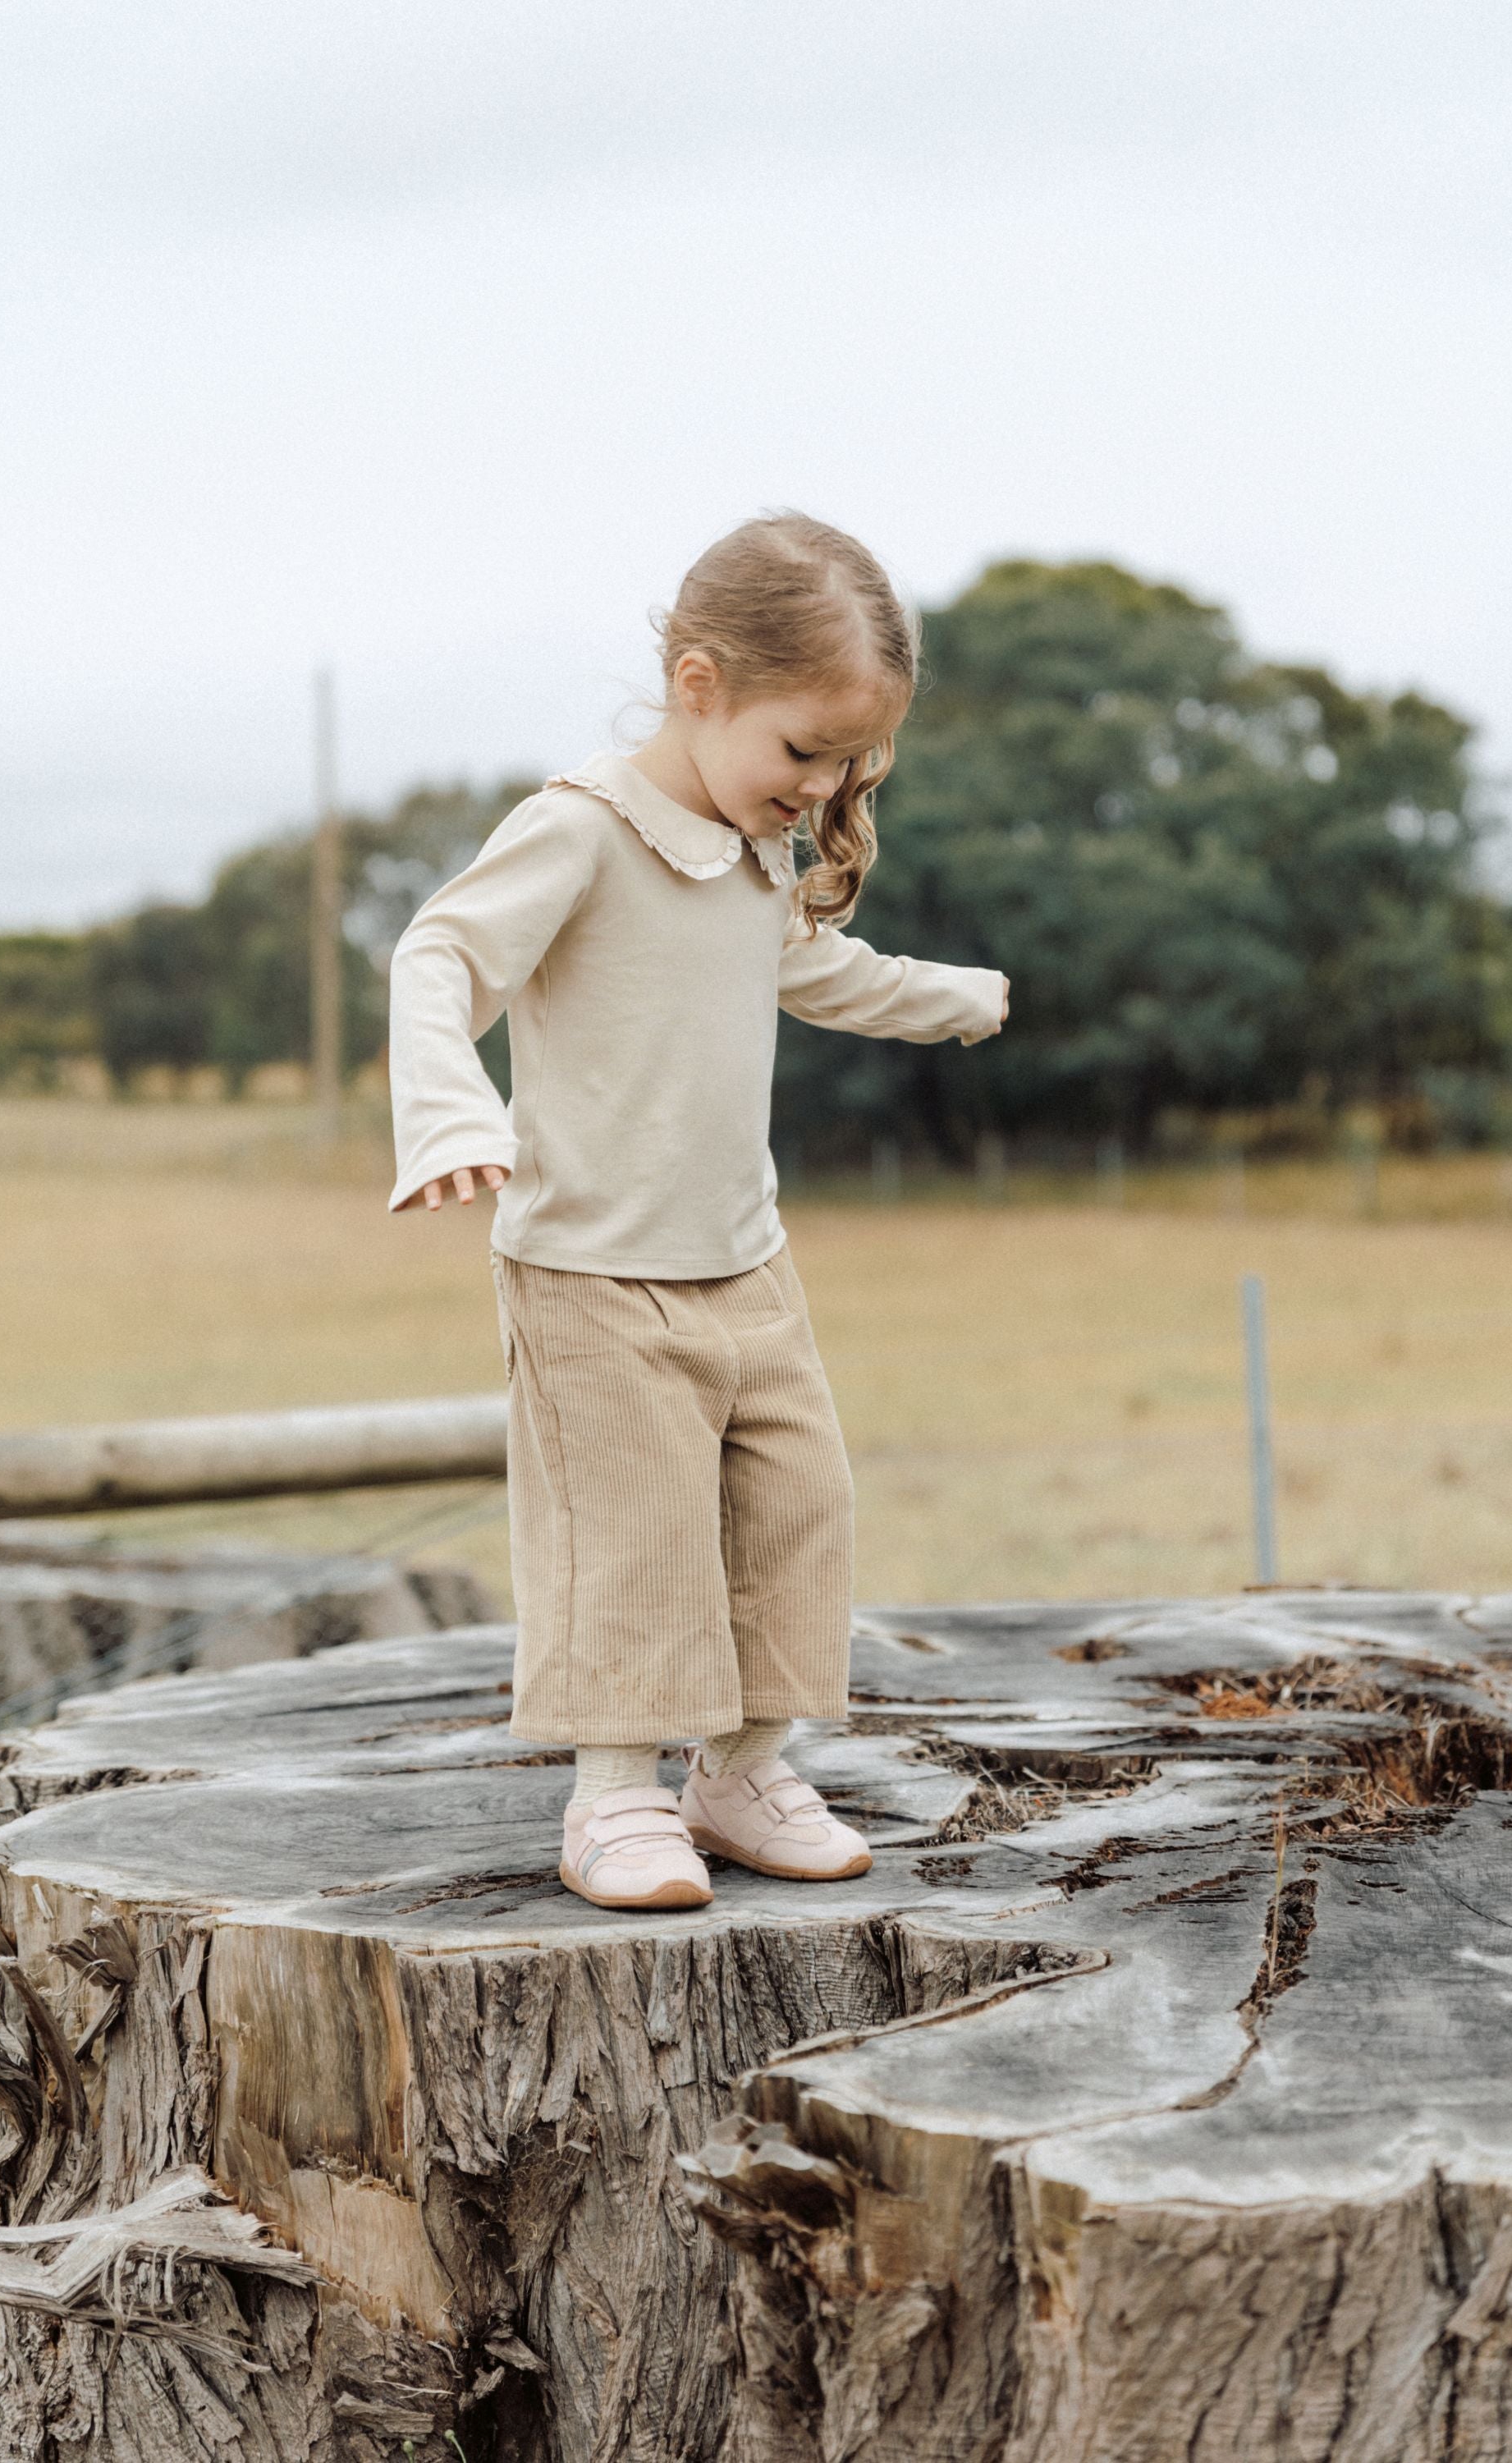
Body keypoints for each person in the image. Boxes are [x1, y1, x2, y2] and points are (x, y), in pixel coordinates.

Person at [387, 512, 1008, 1910]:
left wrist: (952, 997)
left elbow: (813, 971)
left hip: (748, 1265)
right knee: (638, 1538)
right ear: (699, 683)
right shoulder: (582, 831)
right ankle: (613, 1794)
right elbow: (441, 957)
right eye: (805, 751)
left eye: (848, 763)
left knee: (800, 1510)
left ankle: (738, 1776)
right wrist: (451, 1113)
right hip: (591, 1274)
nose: (823, 787)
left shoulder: (752, 850)